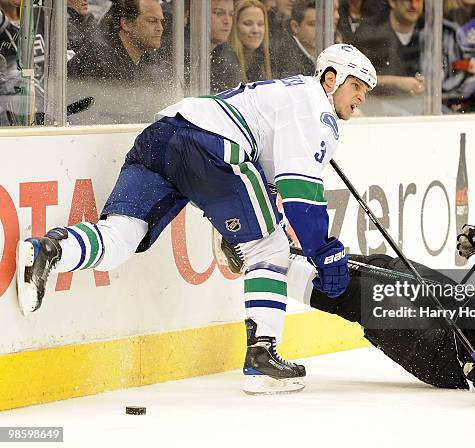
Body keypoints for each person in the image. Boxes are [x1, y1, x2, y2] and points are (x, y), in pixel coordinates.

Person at [16, 43, 377, 395]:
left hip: (162, 135)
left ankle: (49, 249)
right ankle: (262, 356)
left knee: (122, 236)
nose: (360, 97)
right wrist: (324, 250)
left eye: (366, 91)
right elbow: (300, 196)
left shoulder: (287, 95)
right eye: (356, 86)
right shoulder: (314, 107)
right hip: (208, 145)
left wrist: (239, 234)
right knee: (270, 245)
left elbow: (262, 186)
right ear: (330, 78)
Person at [285, 212, 475, 405]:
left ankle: (268, 266)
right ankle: (289, 253)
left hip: (450, 355)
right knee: (382, 265)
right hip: (460, 306)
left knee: (367, 297)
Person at [230, 0, 273, 82]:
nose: (255, 30)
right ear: (234, 26)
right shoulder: (226, 62)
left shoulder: (271, 60)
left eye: (260, 24)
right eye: (248, 24)